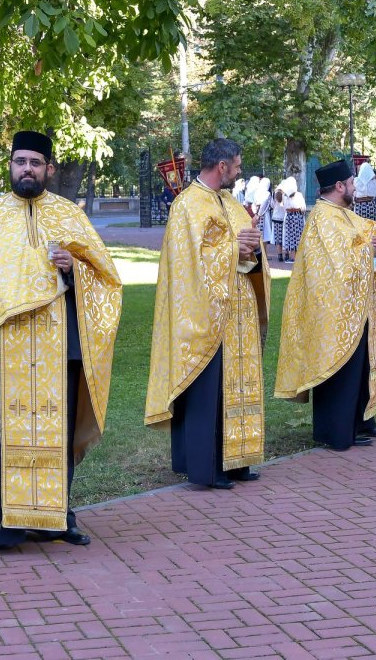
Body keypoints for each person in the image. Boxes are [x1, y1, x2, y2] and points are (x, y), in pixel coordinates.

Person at [0, 130, 122, 549]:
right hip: (4, 346)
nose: (28, 169)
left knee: (57, 433)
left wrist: (74, 267)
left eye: (36, 163)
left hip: (59, 345)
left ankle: (55, 519)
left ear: (49, 169)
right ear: (11, 166)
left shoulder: (71, 216)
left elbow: (107, 278)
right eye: (20, 162)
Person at [146, 138, 269, 490]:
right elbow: (189, 262)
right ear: (222, 167)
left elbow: (244, 247)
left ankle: (238, 459)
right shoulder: (188, 205)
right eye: (238, 165)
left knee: (238, 386)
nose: (240, 170)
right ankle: (208, 467)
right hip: (205, 312)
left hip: (238, 309)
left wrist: (251, 245)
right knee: (208, 390)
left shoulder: (230, 202)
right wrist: (236, 248)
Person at [275, 160, 376, 449]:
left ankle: (361, 422)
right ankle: (336, 432)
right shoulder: (322, 219)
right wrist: (371, 249)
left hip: (359, 307)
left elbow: (373, 239)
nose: (356, 188)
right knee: (341, 370)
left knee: (361, 367)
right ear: (340, 186)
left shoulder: (345, 215)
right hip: (334, 311)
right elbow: (337, 265)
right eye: (353, 183)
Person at [278, 175, 307, 263]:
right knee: (298, 236)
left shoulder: (284, 196)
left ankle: (293, 256)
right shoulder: (298, 195)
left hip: (289, 217)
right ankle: (297, 257)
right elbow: (303, 207)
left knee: (290, 237)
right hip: (297, 217)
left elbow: (284, 207)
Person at [270, 187, 287, 262]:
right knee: (285, 236)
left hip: (276, 218)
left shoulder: (274, 195)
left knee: (278, 238)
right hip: (283, 218)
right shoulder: (285, 196)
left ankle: (279, 255)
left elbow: (272, 205)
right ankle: (287, 254)